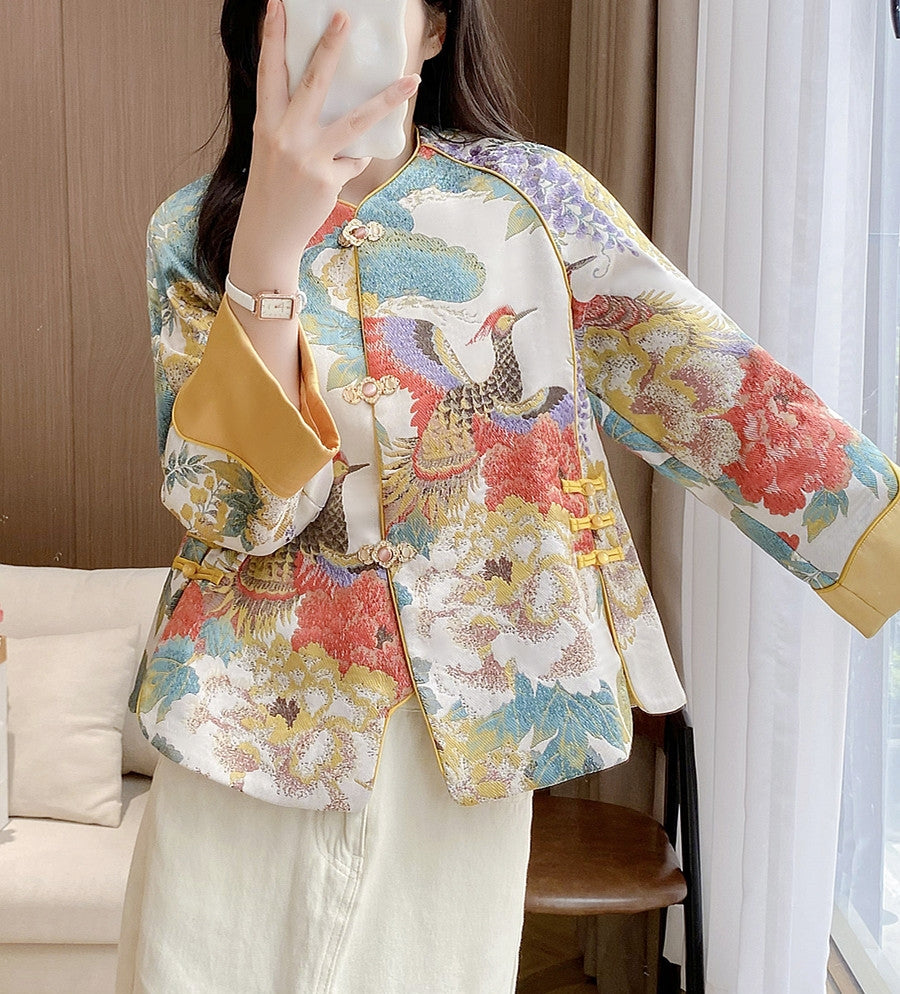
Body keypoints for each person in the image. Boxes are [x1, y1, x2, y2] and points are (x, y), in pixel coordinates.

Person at [115, 0, 900, 991]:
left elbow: (702, 380)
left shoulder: (534, 202)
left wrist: (884, 543)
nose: (338, 18)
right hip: (242, 722)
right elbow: (230, 506)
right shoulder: (194, 230)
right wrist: (266, 252)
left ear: (435, 30)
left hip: (471, 726)